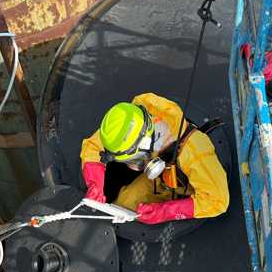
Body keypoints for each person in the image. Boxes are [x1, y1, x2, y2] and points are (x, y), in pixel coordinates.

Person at [80, 93, 230, 224]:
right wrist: (95, 184)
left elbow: (217, 201)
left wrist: (165, 212)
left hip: (191, 187)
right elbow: (93, 146)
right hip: (161, 181)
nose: (132, 166)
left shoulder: (195, 153)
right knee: (123, 205)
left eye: (134, 160)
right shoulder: (132, 120)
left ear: (145, 144)